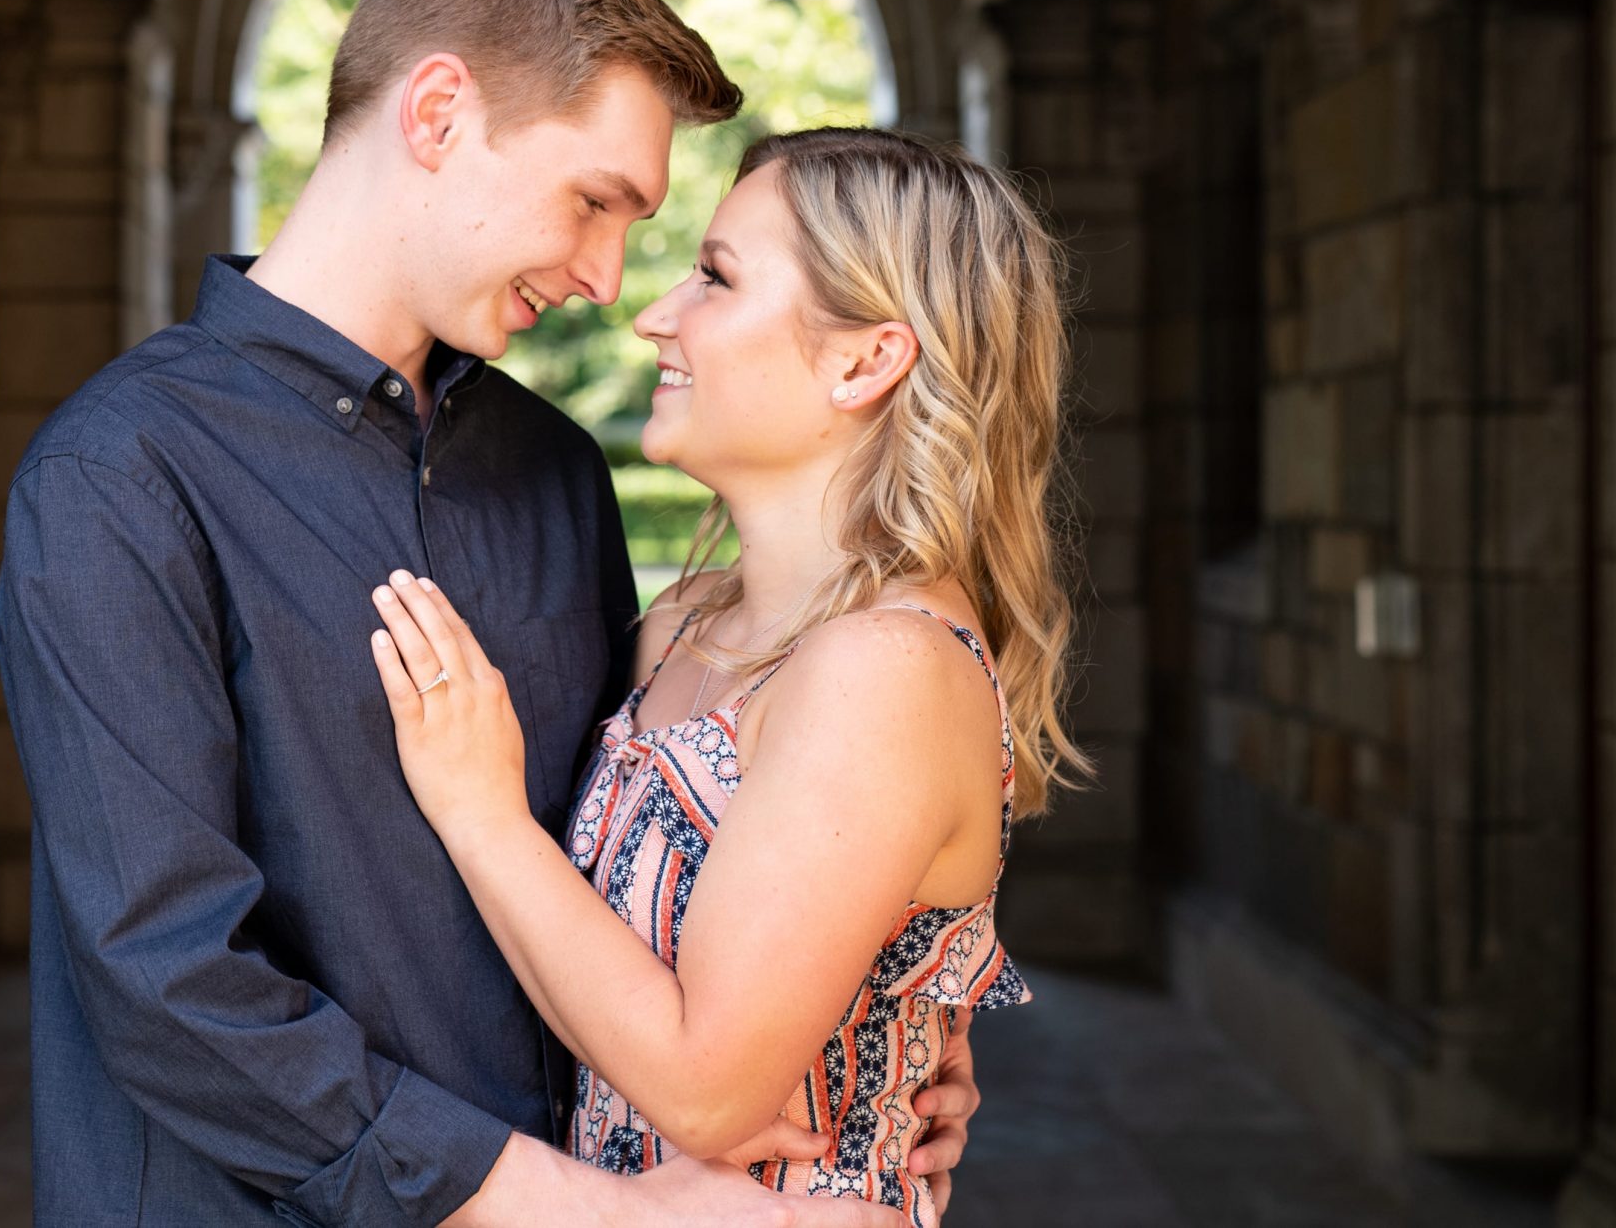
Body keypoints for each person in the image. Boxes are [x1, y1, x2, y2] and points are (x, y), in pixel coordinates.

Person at [0, 0, 980, 1228]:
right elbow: (168, 979)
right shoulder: (119, 472)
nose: (610, 278)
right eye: (593, 202)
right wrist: (590, 1209)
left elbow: (642, 853)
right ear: (440, 111)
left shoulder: (555, 470)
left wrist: (871, 1004)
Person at [362, 127, 1086, 1225]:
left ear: (864, 359)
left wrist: (479, 810)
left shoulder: (884, 667)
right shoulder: (685, 625)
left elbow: (705, 1088)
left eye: (715, 277)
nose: (654, 314)